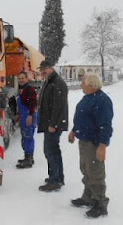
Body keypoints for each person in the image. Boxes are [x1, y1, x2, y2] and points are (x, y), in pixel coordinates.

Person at [68, 74, 113, 218]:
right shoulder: (87, 97)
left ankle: (100, 204)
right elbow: (81, 117)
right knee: (86, 170)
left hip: (94, 142)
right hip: (84, 140)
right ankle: (88, 197)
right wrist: (74, 130)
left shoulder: (102, 100)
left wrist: (102, 146)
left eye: (82, 82)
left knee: (95, 172)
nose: (81, 85)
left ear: (91, 84)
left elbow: (106, 125)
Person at [37, 60, 68, 192]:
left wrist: (53, 124)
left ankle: (54, 180)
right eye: (41, 69)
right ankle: (57, 177)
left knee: (50, 151)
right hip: (50, 123)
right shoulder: (49, 81)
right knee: (54, 151)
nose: (42, 72)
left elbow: (58, 106)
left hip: (53, 124)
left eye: (45, 69)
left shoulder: (57, 82)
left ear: (51, 68)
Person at [15, 71, 38, 169]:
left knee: (28, 137)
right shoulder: (22, 89)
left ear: (27, 79)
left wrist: (30, 115)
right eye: (19, 78)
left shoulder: (29, 89)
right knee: (24, 136)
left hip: (28, 116)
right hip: (23, 116)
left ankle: (29, 159)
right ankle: (27, 157)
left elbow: (33, 103)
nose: (21, 80)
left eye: (22, 78)